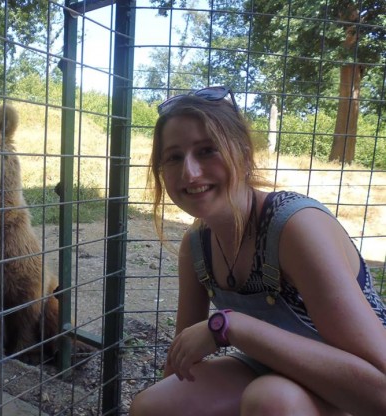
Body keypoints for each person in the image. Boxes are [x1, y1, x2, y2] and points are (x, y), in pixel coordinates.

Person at [129, 86, 386, 416]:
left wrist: (234, 327)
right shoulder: (196, 246)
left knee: (272, 400)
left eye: (207, 151)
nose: (189, 173)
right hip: (268, 369)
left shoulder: (295, 226)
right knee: (154, 406)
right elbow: (181, 365)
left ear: (244, 154)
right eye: (174, 157)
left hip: (350, 389)